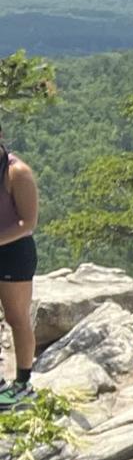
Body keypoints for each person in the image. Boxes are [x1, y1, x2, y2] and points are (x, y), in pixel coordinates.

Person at [0, 130, 40, 407]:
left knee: (16, 317)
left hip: (14, 252)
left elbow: (28, 222)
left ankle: (23, 384)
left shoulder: (17, 173)